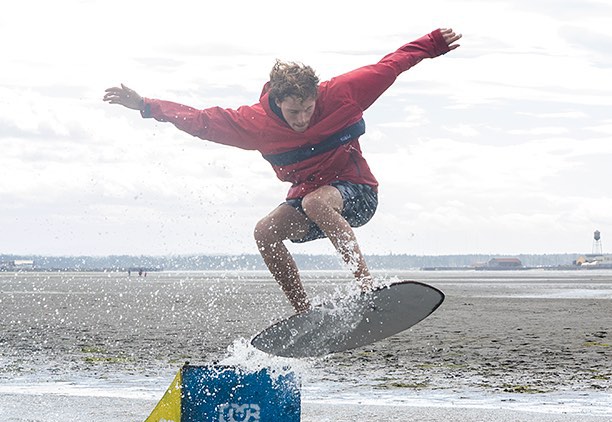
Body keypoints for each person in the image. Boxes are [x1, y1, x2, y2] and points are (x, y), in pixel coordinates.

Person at [104, 28, 461, 313]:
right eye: (294, 112)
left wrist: (432, 43)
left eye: (308, 108)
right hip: (308, 200)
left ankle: (365, 285)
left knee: (316, 204)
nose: (303, 119)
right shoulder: (253, 123)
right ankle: (303, 312)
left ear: (316, 95)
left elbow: (391, 65)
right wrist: (146, 105)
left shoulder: (342, 93)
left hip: (358, 194)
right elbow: (200, 121)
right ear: (277, 101)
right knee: (264, 231)